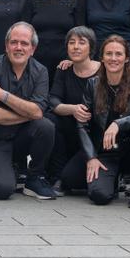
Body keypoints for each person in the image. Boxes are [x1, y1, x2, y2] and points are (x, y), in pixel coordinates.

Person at [62, 35, 130, 208]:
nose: (113, 58)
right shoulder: (93, 84)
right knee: (73, 180)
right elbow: (82, 124)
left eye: (118, 54)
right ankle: (112, 179)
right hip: (104, 152)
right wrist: (91, 157)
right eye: (109, 54)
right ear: (102, 58)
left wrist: (119, 123)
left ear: (126, 58)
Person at [0, 22, 57, 200]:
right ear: (6, 46)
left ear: (32, 49)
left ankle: (34, 178)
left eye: (24, 43)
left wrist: (3, 95)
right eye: (14, 42)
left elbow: (38, 113)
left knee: (45, 126)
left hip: (23, 137)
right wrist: (29, 113)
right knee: (2, 190)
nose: (18, 47)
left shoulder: (40, 71)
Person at [47, 27, 99, 191]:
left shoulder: (104, 70)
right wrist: (73, 109)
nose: (76, 47)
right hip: (71, 131)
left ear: (91, 47)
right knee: (49, 120)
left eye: (82, 42)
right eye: (71, 42)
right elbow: (53, 100)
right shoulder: (64, 69)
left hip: (94, 135)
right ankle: (57, 176)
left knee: (72, 179)